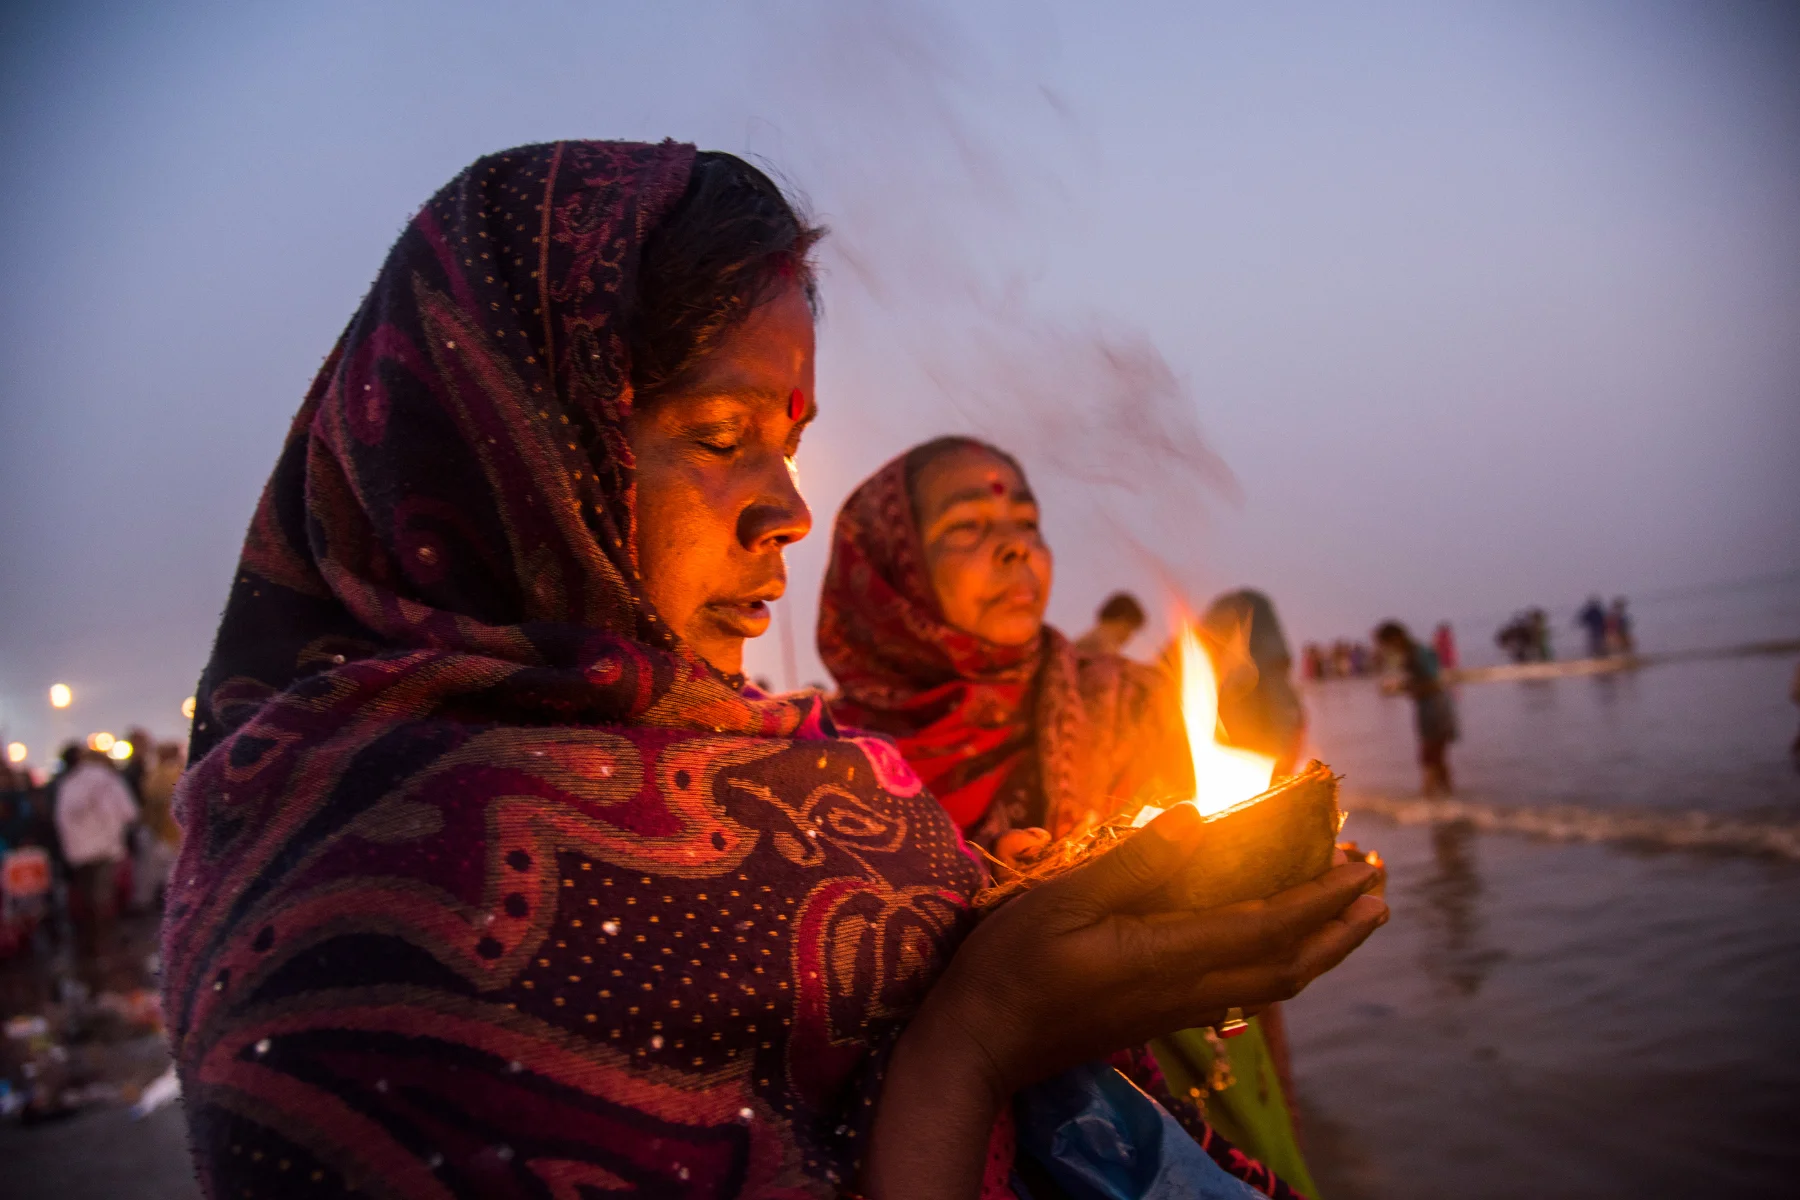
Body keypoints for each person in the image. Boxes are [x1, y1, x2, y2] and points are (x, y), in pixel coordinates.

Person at [162, 142, 1386, 1200]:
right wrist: (975, 1040)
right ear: (515, 445)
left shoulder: (804, 779)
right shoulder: (345, 937)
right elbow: (960, 1045)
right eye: (719, 435)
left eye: (791, 443)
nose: (787, 512)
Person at [818, 439, 1326, 1196]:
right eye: (968, 528)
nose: (1016, 547)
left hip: (1193, 1077)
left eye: (1027, 522)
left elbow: (1230, 903)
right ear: (888, 569)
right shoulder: (834, 772)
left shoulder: (1128, 701)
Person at [1200, 589, 1307, 779]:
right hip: (1240, 772)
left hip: (1262, 776)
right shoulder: (1217, 675)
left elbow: (1287, 723)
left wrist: (1279, 769)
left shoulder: (1268, 674)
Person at [54, 744, 137, 959]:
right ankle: (105, 943)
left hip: (79, 850)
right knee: (103, 894)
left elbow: (62, 819)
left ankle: (91, 942)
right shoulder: (106, 779)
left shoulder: (69, 783)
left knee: (88, 895)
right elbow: (128, 811)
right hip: (104, 846)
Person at [1375, 620, 1459, 796]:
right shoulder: (1414, 652)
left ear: (1395, 639)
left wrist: (1403, 688)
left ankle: (1429, 798)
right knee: (1437, 757)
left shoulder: (1415, 653)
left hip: (1435, 707)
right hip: (1431, 706)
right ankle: (1447, 798)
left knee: (1429, 756)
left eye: (1385, 644)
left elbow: (1434, 682)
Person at [1073, 590, 1147, 658]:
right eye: (1129, 628)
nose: (1129, 636)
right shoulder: (1104, 638)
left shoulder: (1095, 634)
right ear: (1120, 619)